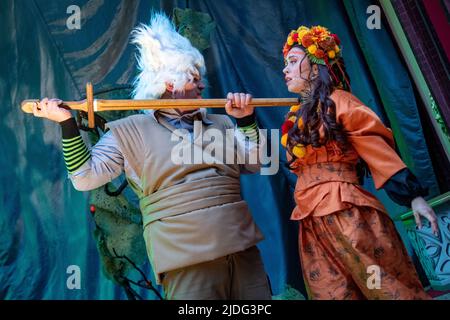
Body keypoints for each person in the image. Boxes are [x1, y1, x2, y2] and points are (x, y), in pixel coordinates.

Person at [31, 12, 271, 300]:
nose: (202, 85)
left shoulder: (219, 123)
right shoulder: (128, 131)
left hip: (244, 253)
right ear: (171, 84)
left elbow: (257, 162)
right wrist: (66, 124)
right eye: (194, 78)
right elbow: (84, 178)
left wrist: (245, 120)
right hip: (187, 262)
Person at [280, 25, 438, 300]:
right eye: (286, 64)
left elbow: (375, 148)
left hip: (348, 214)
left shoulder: (341, 103)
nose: (285, 70)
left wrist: (413, 197)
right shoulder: (298, 118)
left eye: (292, 62)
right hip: (312, 223)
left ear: (316, 68)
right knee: (334, 295)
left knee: (386, 290)